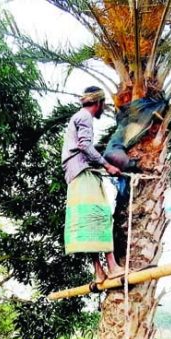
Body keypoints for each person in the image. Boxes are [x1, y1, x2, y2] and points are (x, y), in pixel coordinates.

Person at [62, 86, 123, 284]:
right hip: (82, 173)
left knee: (88, 221)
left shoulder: (76, 117)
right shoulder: (85, 117)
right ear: (98, 103)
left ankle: (98, 271)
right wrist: (107, 165)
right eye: (103, 105)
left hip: (75, 175)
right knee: (101, 215)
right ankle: (112, 267)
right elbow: (85, 146)